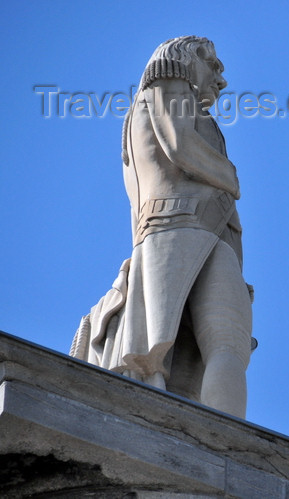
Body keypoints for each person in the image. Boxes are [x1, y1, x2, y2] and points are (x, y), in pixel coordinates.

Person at [71, 36, 253, 419]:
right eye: (215, 66)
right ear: (189, 58)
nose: (221, 81)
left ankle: (228, 445)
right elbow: (179, 143)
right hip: (178, 224)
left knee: (226, 347)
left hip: (201, 230)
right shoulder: (164, 84)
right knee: (193, 347)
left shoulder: (173, 100)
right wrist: (231, 177)